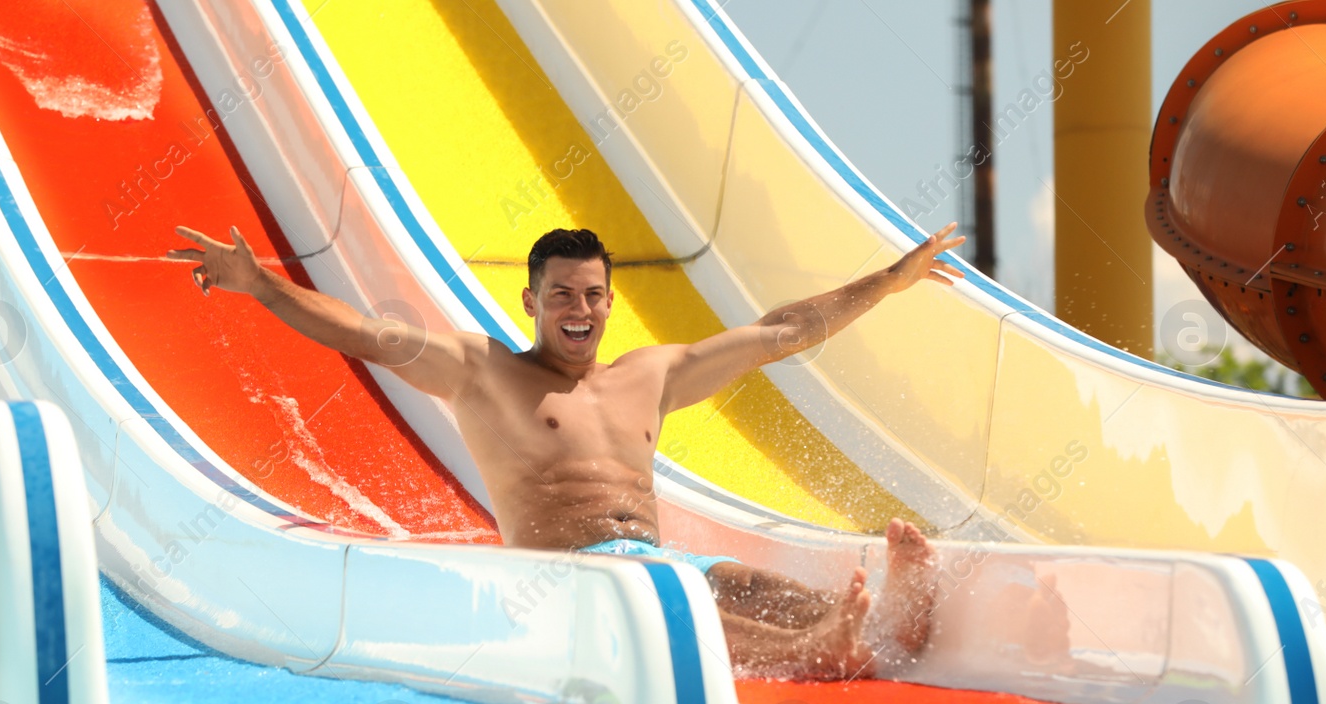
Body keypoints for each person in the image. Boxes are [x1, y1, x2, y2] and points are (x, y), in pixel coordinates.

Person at [168, 222, 965, 680]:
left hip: (656, 566)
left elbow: (780, 333)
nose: (578, 309)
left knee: (743, 582)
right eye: (561, 295)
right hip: (564, 583)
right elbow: (364, 334)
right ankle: (808, 655)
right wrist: (261, 284)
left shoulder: (650, 374)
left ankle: (880, 627)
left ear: (611, 302)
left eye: (592, 294)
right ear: (531, 302)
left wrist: (887, 283)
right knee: (672, 598)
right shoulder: (485, 372)